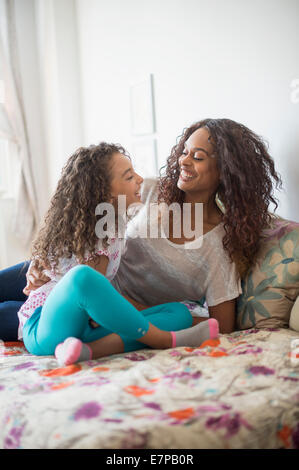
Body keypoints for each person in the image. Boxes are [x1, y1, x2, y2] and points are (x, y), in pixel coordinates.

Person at [0, 118, 281, 343]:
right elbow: (80, 202)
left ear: (225, 171)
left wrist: (149, 316)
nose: (184, 161)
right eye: (184, 152)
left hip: (97, 307)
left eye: (197, 157)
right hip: (66, 268)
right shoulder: (153, 192)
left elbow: (221, 328)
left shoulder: (218, 248)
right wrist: (41, 261)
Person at [11, 141, 218, 365]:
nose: (139, 179)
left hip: (86, 333)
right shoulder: (90, 234)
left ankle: (89, 351)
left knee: (179, 313)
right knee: (82, 277)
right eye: (129, 177)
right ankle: (165, 339)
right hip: (48, 327)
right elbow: (89, 298)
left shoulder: (116, 226)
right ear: (106, 195)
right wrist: (37, 269)